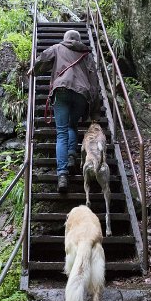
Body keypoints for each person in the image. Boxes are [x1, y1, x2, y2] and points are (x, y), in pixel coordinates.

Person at [30, 29, 100, 192]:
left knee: (61, 132)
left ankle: (62, 175)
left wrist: (34, 69)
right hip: (82, 95)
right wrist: (95, 112)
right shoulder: (87, 55)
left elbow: (43, 58)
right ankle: (71, 155)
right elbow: (94, 84)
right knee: (72, 126)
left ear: (65, 39)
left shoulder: (57, 47)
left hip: (61, 90)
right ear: (78, 40)